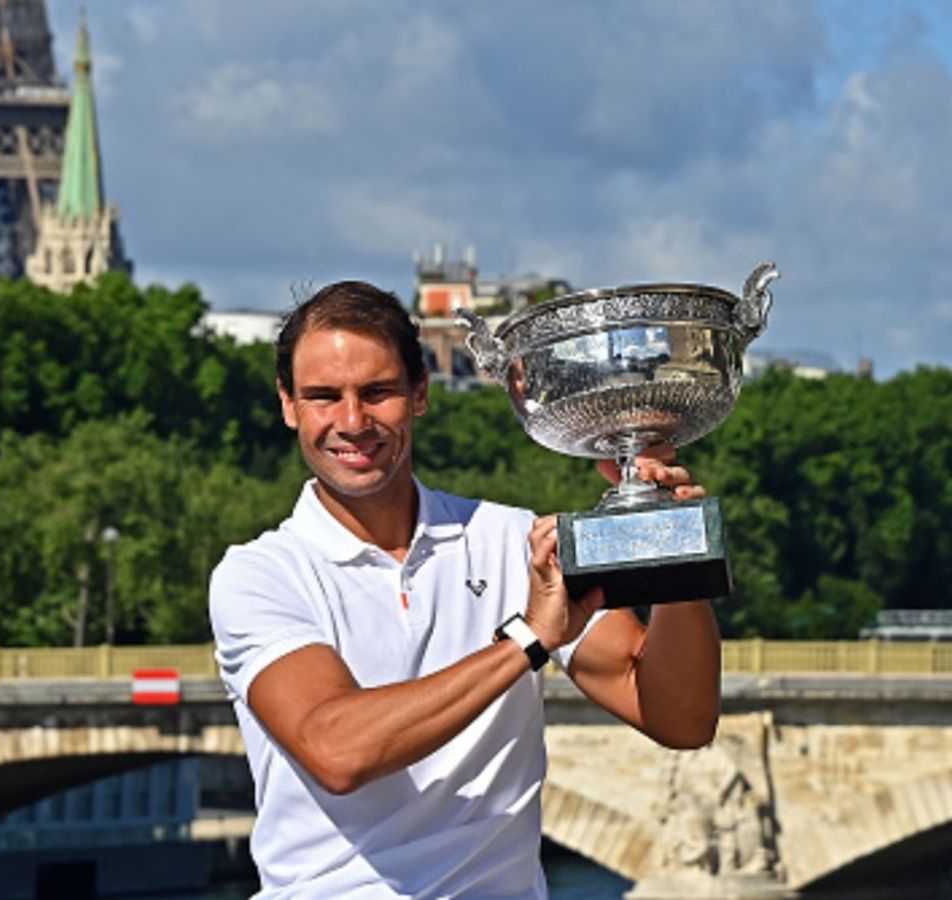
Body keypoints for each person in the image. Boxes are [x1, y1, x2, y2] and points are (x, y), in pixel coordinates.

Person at [208, 281, 721, 897]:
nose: (352, 422)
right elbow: (337, 751)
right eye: (324, 397)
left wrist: (670, 549)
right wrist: (527, 641)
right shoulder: (260, 574)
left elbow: (681, 718)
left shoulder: (511, 540)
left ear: (420, 393)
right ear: (288, 405)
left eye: (377, 392)